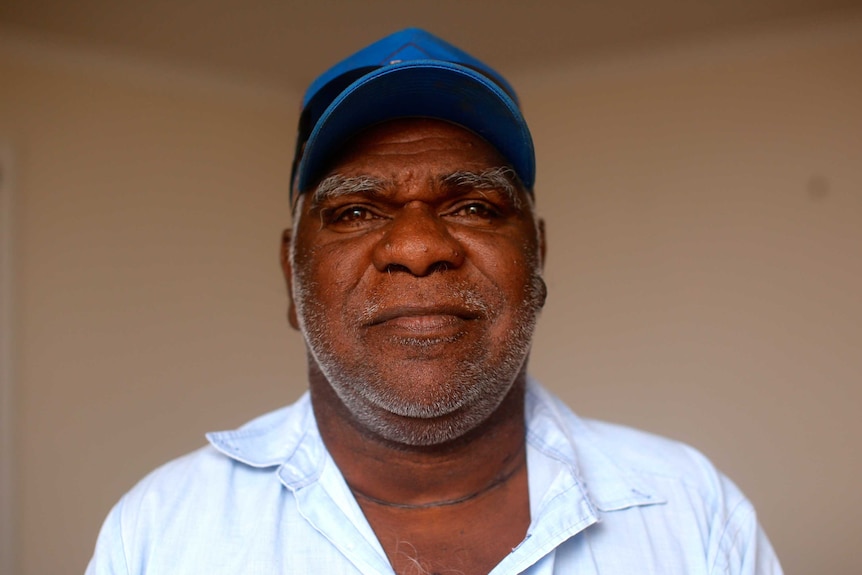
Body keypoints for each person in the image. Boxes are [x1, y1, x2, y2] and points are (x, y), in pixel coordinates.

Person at [86, 28, 783, 575]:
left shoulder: (691, 513)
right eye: (356, 212)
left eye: (476, 205)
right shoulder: (161, 530)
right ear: (290, 277)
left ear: (537, 260)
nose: (418, 246)